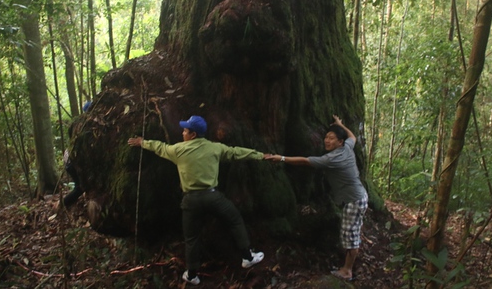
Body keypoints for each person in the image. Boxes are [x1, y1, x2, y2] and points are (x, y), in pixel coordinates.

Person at [128, 115, 265, 286]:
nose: (182, 133)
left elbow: (160, 147)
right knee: (235, 219)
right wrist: (260, 155)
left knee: (191, 238)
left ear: (193, 135)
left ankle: (192, 274)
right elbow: (236, 152)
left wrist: (143, 142)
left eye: (185, 130)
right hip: (213, 197)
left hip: (191, 201)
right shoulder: (214, 148)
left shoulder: (178, 150)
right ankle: (247, 257)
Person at [265, 115, 368, 281]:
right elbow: (353, 137)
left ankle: (347, 270)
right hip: (358, 196)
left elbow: (305, 161)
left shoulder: (332, 159)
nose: (327, 140)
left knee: (351, 238)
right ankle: (347, 266)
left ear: (339, 142)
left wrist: (281, 158)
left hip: (354, 201)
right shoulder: (347, 147)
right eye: (326, 137)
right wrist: (340, 125)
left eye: (332, 138)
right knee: (350, 234)